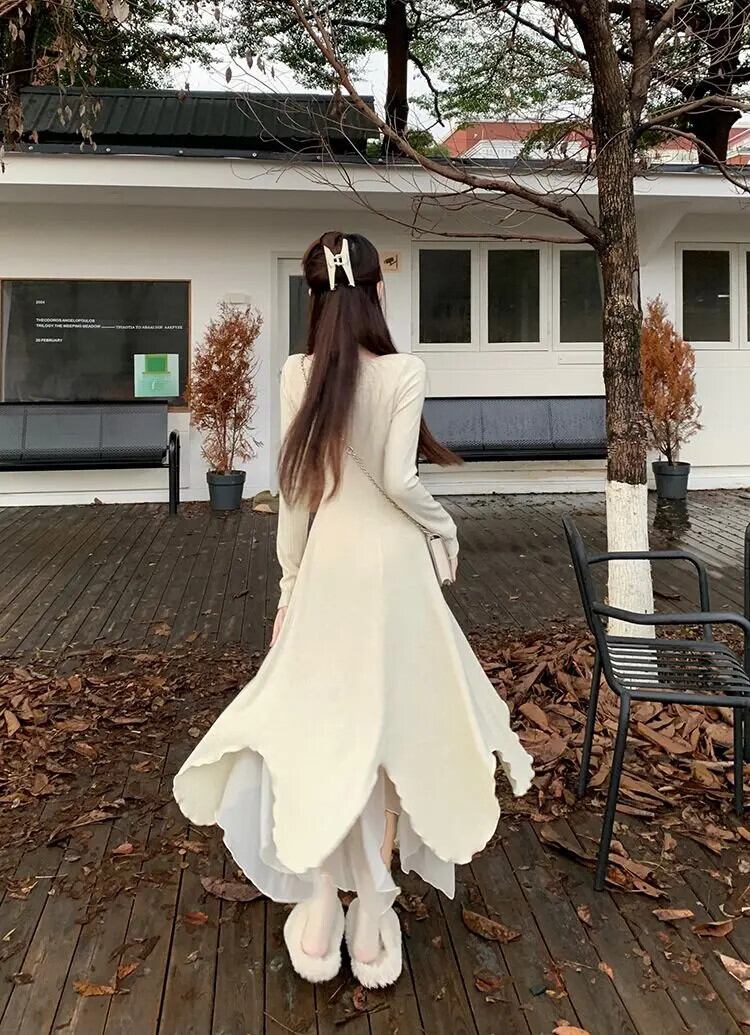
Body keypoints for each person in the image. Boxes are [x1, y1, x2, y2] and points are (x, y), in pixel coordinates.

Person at [173, 231, 534, 989]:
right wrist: (445, 526)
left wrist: (288, 586)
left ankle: (316, 906)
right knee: (395, 726)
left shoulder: (297, 372)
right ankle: (371, 911)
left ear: (315, 298)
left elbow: (296, 495)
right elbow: (400, 482)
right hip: (395, 573)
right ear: (376, 292)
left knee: (317, 724)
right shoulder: (405, 370)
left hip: (329, 568)